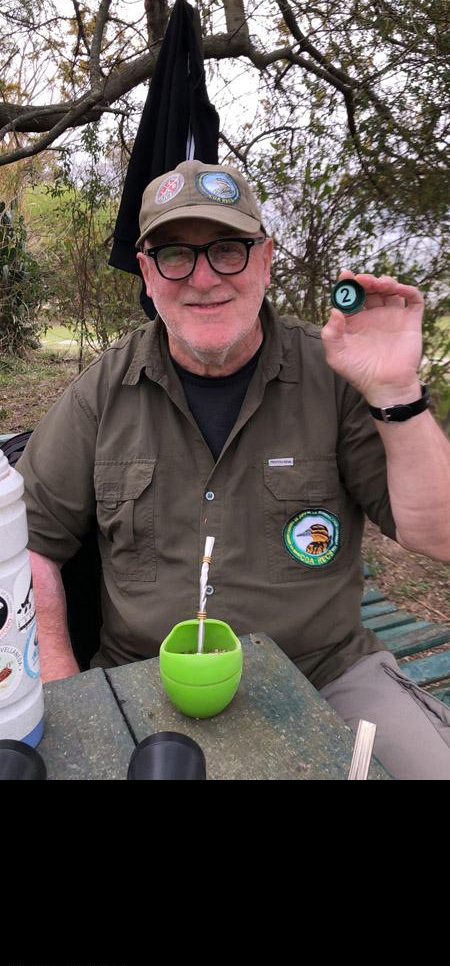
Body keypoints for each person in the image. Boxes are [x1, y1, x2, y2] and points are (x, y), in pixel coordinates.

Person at [17, 159, 450, 779]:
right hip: (143, 677)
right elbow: (29, 543)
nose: (203, 278)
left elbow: (439, 535)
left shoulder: (336, 377)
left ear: (265, 260)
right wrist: (63, 687)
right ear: (147, 273)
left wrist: (397, 392)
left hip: (327, 672)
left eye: (227, 249)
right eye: (175, 255)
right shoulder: (102, 392)